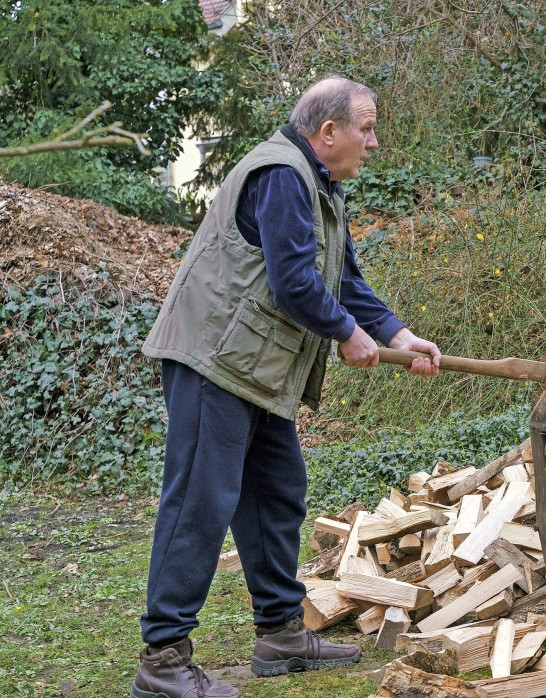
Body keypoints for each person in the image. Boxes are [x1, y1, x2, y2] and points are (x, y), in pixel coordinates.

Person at [132, 77, 442, 698]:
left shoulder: (318, 185)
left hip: (256, 368)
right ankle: (163, 660)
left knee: (276, 491)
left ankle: (280, 633)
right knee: (200, 501)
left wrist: (395, 334)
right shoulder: (281, 175)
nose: (373, 142)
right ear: (328, 132)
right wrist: (347, 335)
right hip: (213, 359)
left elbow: (342, 277)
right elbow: (295, 282)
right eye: (367, 129)